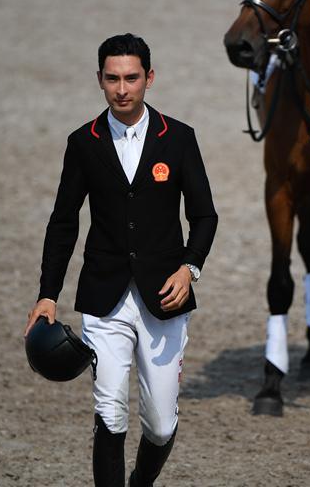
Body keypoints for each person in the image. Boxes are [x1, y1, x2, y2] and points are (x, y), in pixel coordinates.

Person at [23, 33, 218, 487]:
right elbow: (63, 221)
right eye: (112, 79)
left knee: (161, 424)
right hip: (104, 297)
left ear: (150, 78)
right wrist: (47, 295)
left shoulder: (180, 139)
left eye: (132, 78)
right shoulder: (83, 142)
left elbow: (205, 215)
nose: (122, 89)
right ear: (99, 80)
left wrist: (189, 269)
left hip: (165, 298)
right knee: (110, 412)